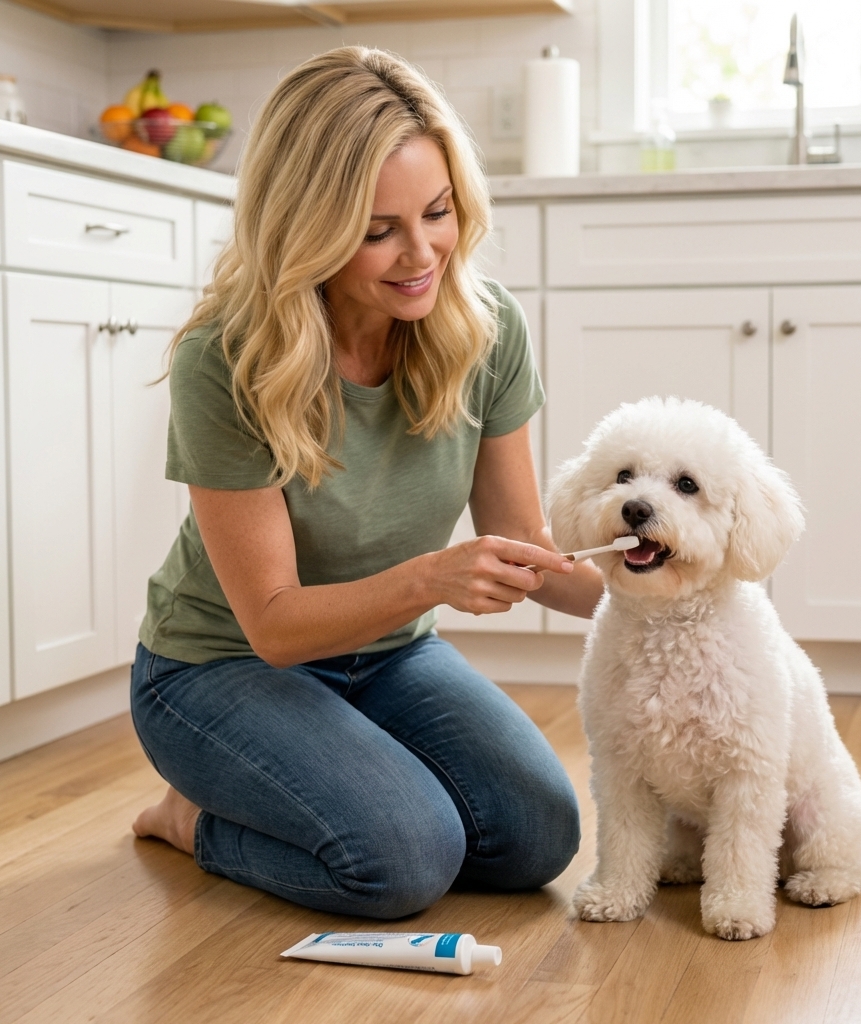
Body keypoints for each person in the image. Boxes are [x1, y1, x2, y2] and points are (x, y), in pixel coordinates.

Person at [129, 46, 605, 919]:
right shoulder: (224, 361)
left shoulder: (487, 329)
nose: (421, 254)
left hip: (386, 651)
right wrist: (431, 578)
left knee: (537, 837)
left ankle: (344, 770)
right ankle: (188, 818)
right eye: (377, 230)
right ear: (303, 225)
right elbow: (271, 624)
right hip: (218, 669)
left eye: (437, 212)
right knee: (404, 861)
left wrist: (671, 589)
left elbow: (527, 547)